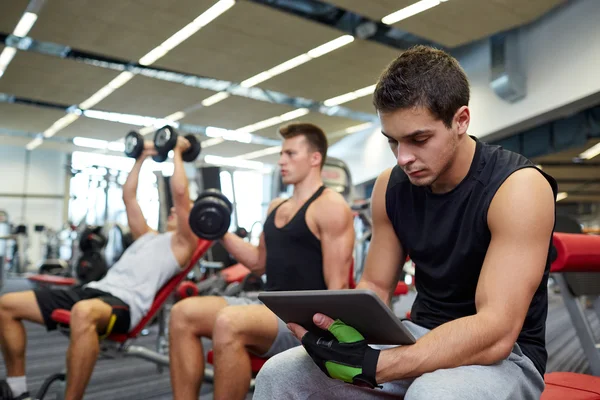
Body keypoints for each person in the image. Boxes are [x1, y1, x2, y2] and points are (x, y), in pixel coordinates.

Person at [252, 45, 558, 399]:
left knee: (432, 394)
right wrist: (337, 333)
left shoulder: (518, 187)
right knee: (281, 374)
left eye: (419, 139)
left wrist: (377, 366)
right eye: (393, 142)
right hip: (417, 333)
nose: (404, 157)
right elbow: (375, 288)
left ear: (461, 120)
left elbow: (496, 331)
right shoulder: (390, 185)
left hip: (506, 357)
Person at [0, 136, 198, 400]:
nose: (175, 209)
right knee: (7, 305)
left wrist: (176, 152)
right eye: (173, 208)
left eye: (183, 210)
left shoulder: (184, 245)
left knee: (82, 312)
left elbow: (181, 195)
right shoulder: (148, 235)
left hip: (124, 304)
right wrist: (141, 159)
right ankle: (17, 390)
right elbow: (129, 197)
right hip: (93, 291)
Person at [168, 122, 355, 400]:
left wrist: (326, 343)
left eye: (290, 154)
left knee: (229, 321)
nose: (281, 161)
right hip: (266, 306)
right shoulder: (276, 205)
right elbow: (258, 262)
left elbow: (337, 286)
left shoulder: (330, 206)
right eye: (281, 154)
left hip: (301, 319)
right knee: (182, 313)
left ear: (315, 158)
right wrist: (219, 231)